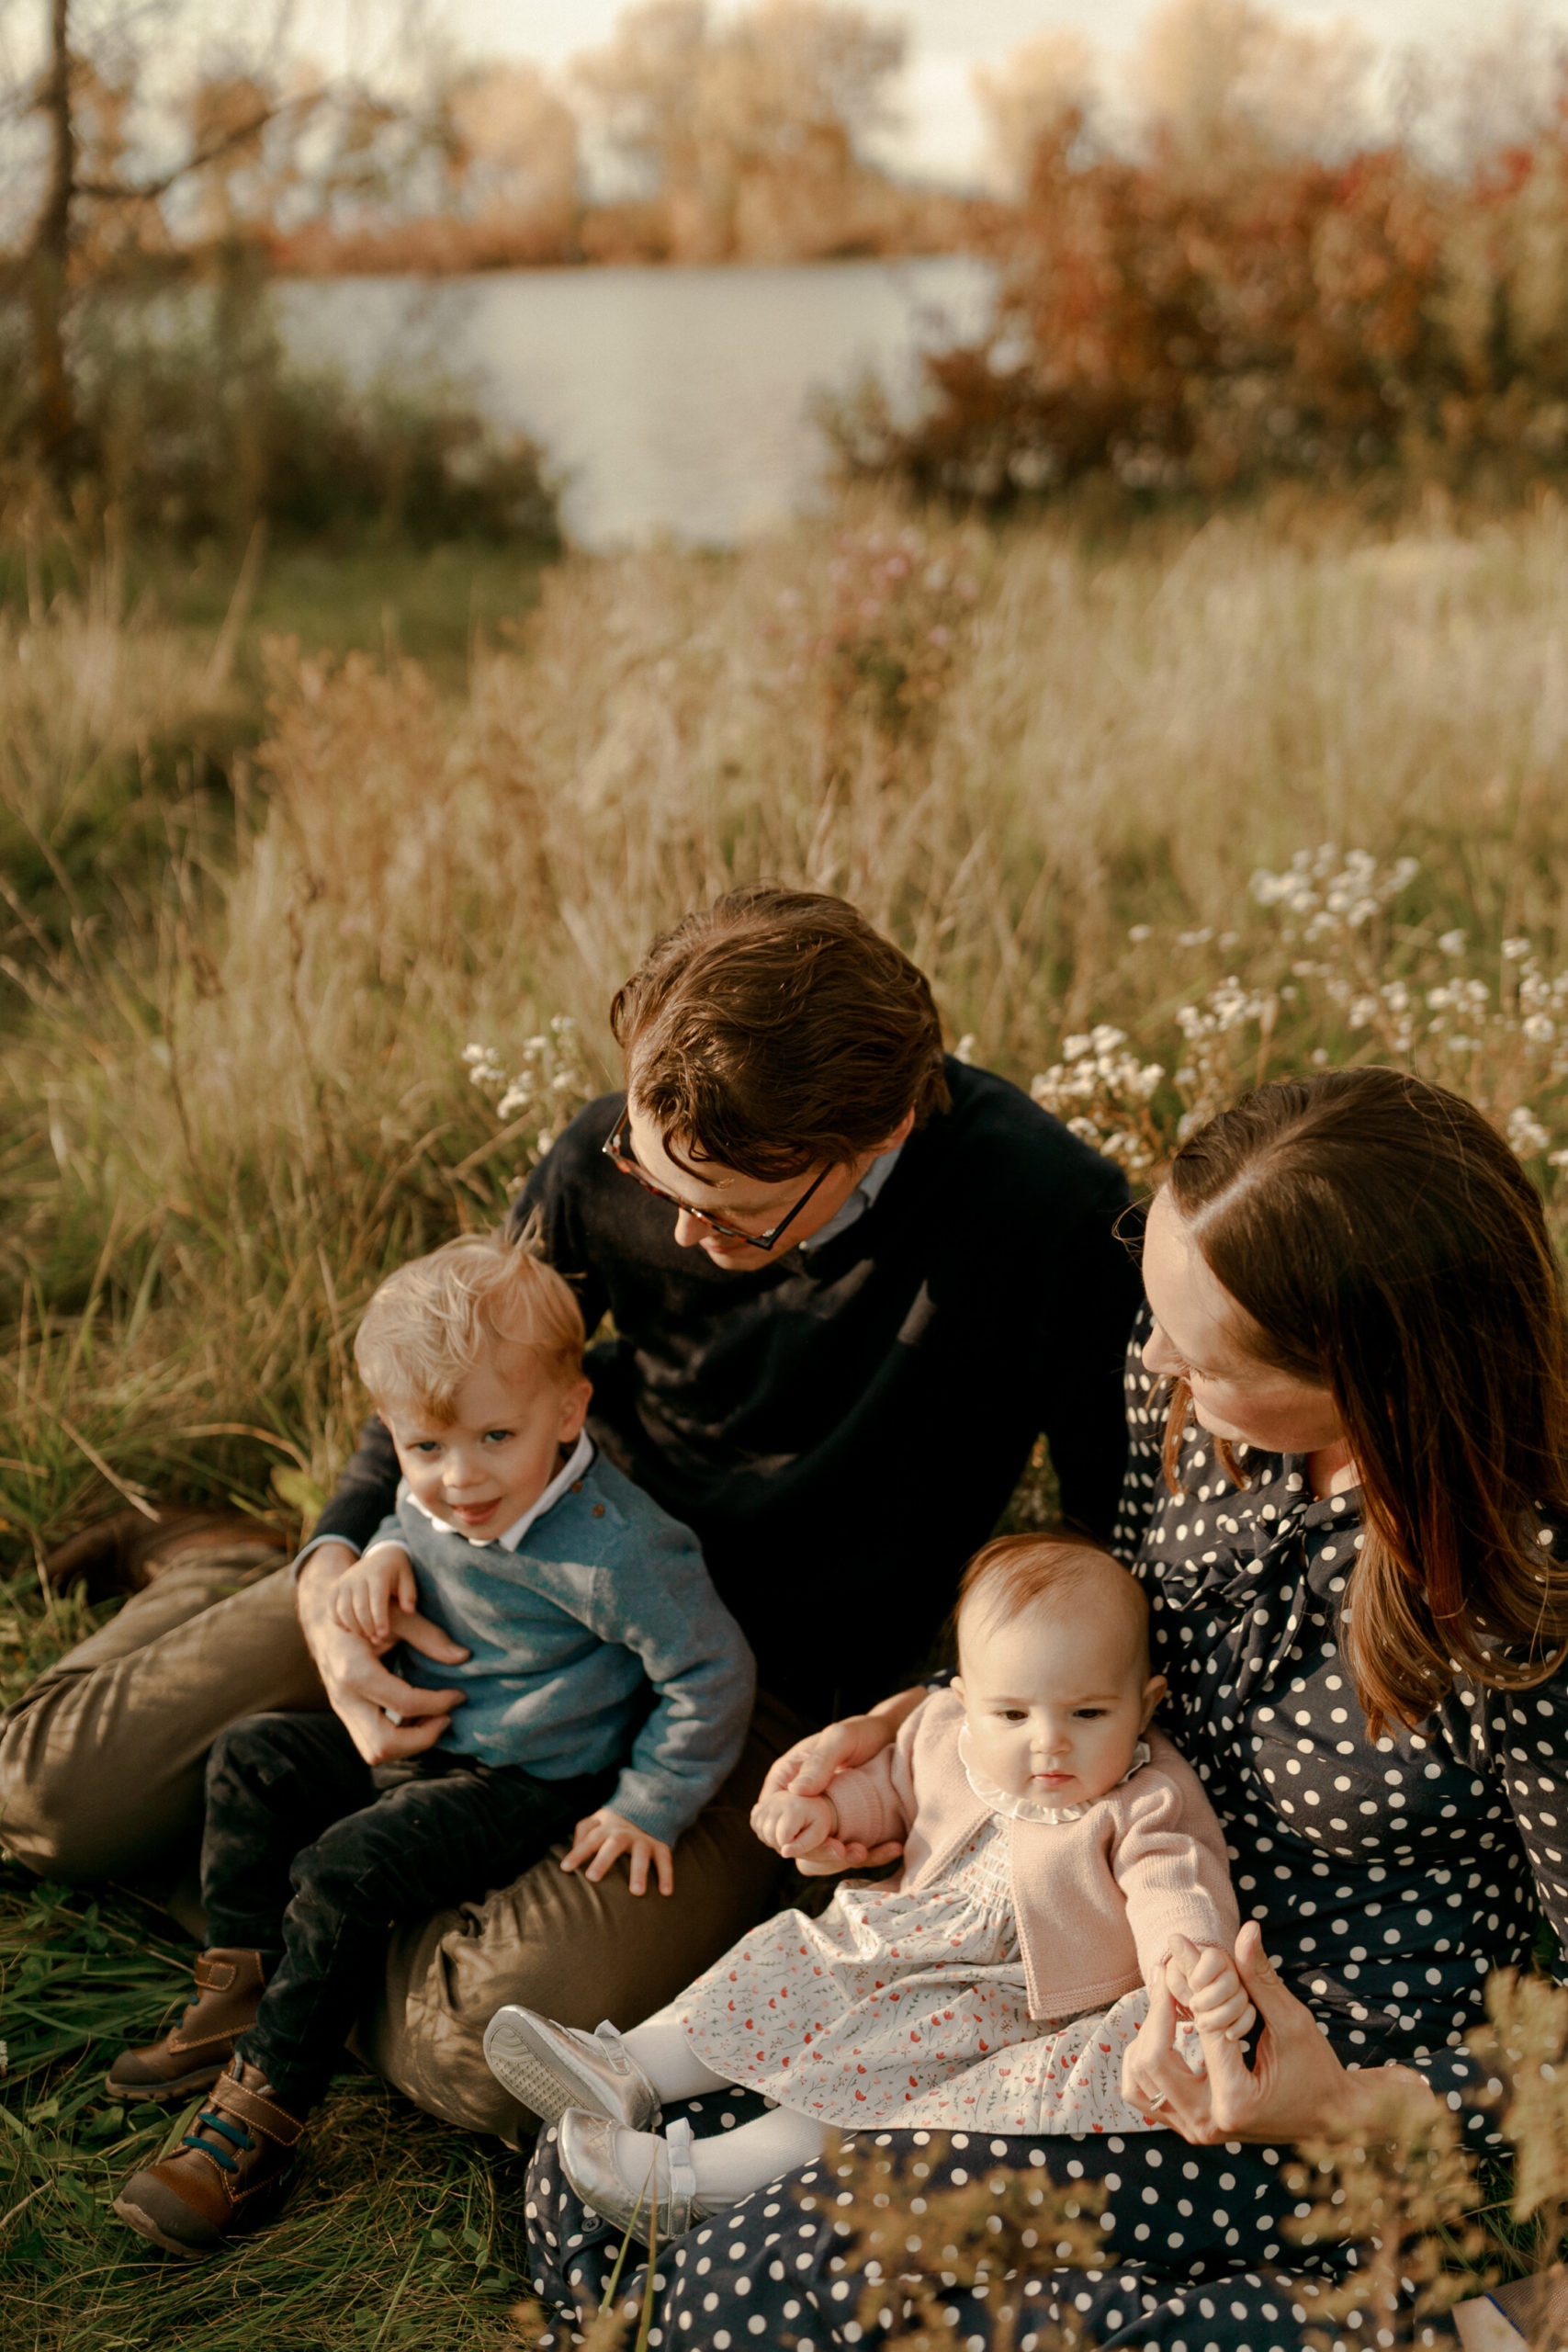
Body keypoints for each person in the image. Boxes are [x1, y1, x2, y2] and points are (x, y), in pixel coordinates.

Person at [0, 888, 1140, 2137]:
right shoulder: (624, 1148)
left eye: (725, 1211)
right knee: (44, 1799)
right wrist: (330, 1567)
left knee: (480, 2055)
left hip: (755, 1679)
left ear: (875, 1133)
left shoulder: (1050, 1213)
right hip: (493, 1555)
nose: (677, 1228)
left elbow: (1106, 1541)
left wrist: (934, 1706)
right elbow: (453, 1380)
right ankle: (228, 1590)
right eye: (649, 1176)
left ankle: (292, 1904)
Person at [524, 1065, 1568, 2352]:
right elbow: (1116, 1636)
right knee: (594, 2176)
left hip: (1319, 2055)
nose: (1156, 1357)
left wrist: (1342, 2107)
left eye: (1205, 1353)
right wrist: (945, 1727)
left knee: (755, 2287)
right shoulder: (1181, 1407)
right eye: (1157, 1315)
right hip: (1071, 1940)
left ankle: (1441, 2320)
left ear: (1370, 1371)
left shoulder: (1527, 1596)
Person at [106, 1233, 751, 2257]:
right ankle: (242, 1985)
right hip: (431, 1735)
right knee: (250, 1758)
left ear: (569, 1412)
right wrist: (377, 1557)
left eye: (495, 1436)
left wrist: (649, 1801)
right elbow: (411, 1521)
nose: (459, 1478)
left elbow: (711, 1673)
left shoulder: (620, 1550)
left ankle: (260, 2115)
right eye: (425, 1447)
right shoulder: (438, 1489)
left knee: (348, 1866)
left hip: (529, 1775)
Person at [495, 1531, 1250, 2236]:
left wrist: (1184, 1959)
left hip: (1008, 1989)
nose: (1047, 1742)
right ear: (965, 1699)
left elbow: (1170, 1885)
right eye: (1012, 1713)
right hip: (898, 1927)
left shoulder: (1145, 1798)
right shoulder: (945, 1734)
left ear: (1145, 1704)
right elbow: (888, 1789)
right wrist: (823, 1812)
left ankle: (696, 2180)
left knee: (873, 2069)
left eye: (1087, 1713)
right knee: (783, 1959)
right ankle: (628, 2066)